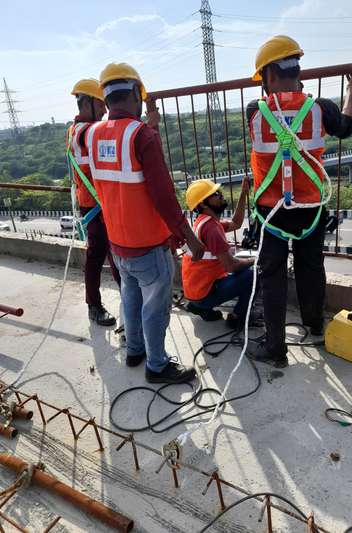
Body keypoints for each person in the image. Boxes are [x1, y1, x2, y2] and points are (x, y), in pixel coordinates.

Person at [246, 35, 352, 368]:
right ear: (297, 70)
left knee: (272, 275)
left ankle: (275, 348)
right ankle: (314, 324)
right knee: (311, 266)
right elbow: (348, 124)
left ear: (268, 75)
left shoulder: (255, 111)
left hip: (272, 213)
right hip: (310, 210)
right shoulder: (320, 109)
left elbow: (273, 114)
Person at [86, 62, 204, 384]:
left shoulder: (93, 135)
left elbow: (120, 174)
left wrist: (149, 128)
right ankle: (157, 364)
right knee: (155, 307)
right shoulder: (142, 136)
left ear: (106, 100)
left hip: (118, 243)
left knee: (131, 298)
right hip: (148, 246)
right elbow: (164, 196)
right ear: (137, 95)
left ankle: (135, 351)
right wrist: (190, 238)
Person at [69, 79, 121, 326]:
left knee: (112, 252)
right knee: (99, 253)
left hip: (96, 202)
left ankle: (127, 294)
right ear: (87, 102)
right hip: (96, 204)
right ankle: (94, 305)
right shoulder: (87, 132)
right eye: (101, 103)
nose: (104, 109)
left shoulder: (76, 129)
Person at [182, 178, 257, 330]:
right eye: (215, 194)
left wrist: (243, 194)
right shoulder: (212, 229)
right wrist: (255, 259)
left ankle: (199, 306)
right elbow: (231, 266)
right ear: (203, 204)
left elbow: (236, 223)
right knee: (255, 272)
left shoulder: (204, 221)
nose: (220, 195)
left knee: (242, 265)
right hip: (204, 294)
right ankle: (238, 317)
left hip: (195, 292)